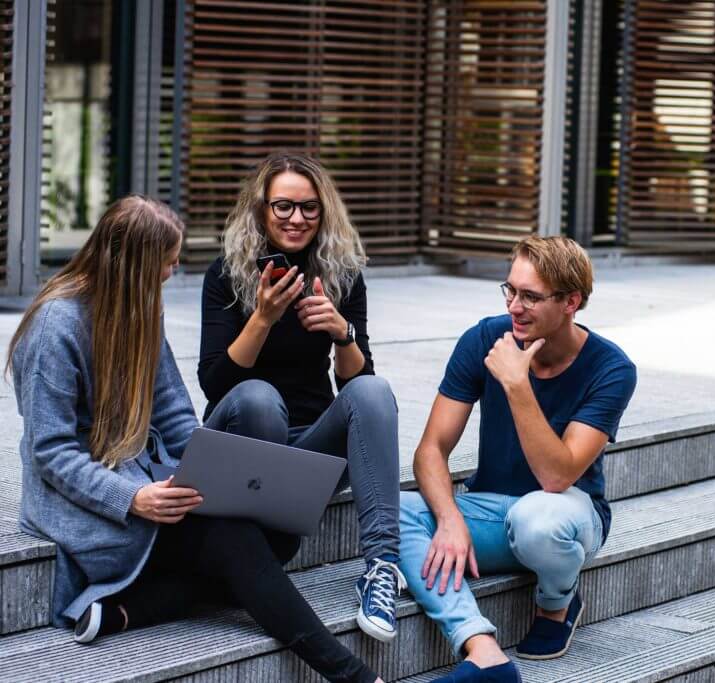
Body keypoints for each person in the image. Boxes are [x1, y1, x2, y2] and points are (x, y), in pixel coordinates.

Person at [9, 196, 383, 683]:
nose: (172, 271)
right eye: (167, 262)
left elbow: (175, 416)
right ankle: (354, 676)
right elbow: (51, 452)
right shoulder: (55, 326)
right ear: (134, 262)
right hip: (87, 500)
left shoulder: (141, 308)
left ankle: (130, 609)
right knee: (238, 543)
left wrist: (221, 470)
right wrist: (133, 498)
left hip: (148, 480)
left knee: (277, 537)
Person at [398, 236, 637, 683]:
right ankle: (481, 650)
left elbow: (557, 474)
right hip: (490, 508)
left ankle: (557, 603)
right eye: (510, 290)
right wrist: (449, 519)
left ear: (571, 302)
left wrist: (517, 384)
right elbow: (431, 449)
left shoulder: (612, 369)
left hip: (566, 512)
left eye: (530, 296)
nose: (514, 306)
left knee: (538, 519)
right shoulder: (484, 338)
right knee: (395, 511)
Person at [198, 151, 403, 643]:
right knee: (259, 399)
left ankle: (381, 569)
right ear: (262, 209)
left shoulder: (341, 273)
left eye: (309, 208)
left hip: (309, 452)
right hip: (243, 441)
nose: (296, 219)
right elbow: (215, 384)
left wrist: (342, 333)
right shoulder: (226, 274)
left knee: (374, 391)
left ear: (324, 211)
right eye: (283, 206)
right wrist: (263, 318)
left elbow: (358, 386)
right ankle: (259, 554)